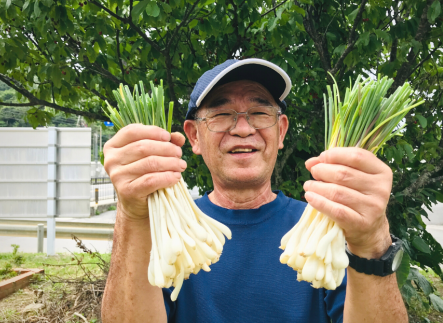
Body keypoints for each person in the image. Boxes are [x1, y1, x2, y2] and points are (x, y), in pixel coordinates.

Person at [101, 58, 408, 323]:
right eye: (222, 114)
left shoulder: (332, 230)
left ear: (281, 130)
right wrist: (131, 214)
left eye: (260, 113)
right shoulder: (165, 233)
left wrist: (372, 241)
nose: (243, 129)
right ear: (193, 136)